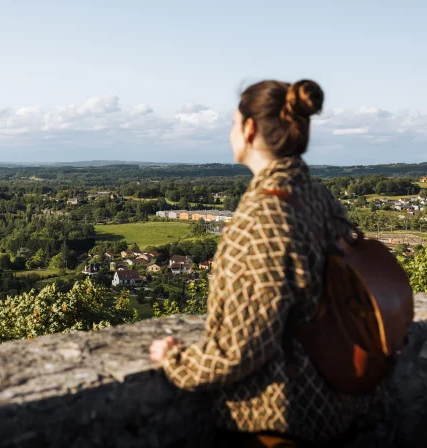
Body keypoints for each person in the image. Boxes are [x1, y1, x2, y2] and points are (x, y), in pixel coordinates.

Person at [149, 80, 376, 446]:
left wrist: (177, 361)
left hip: (281, 419)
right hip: (335, 400)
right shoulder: (318, 196)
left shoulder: (262, 215)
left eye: (233, 123)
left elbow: (242, 347)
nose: (231, 132)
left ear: (249, 129)